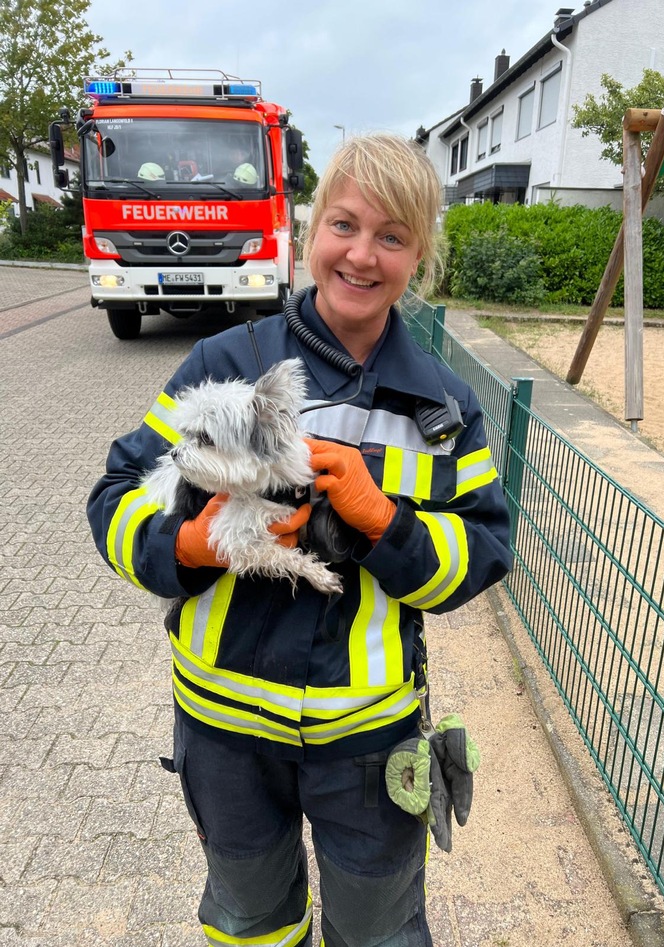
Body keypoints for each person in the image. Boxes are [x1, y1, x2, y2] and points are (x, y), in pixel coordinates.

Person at [87, 133, 511, 947]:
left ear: (419, 257)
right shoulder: (222, 363)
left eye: (392, 236)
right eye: (344, 225)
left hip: (368, 740)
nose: (361, 254)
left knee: (378, 931)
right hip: (225, 732)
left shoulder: (446, 408)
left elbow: (483, 551)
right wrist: (191, 546)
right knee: (249, 922)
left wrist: (385, 521)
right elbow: (113, 502)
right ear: (308, 232)